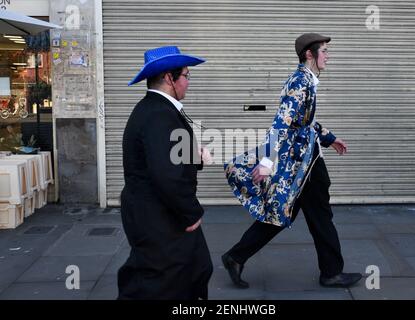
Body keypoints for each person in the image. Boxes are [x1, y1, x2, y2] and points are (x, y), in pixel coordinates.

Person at [223, 33, 362, 289]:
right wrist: (267, 162)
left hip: (305, 160)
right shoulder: (300, 82)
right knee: (317, 214)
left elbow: (304, 122)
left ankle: (236, 256)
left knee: (284, 212)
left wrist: (329, 138)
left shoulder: (306, 80)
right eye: (324, 51)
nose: (328, 55)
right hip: (302, 164)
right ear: (310, 54)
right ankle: (331, 272)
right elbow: (282, 123)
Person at [118, 46, 213, 299]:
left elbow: (163, 156)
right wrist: (191, 213)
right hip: (159, 215)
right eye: (186, 76)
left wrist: (196, 155)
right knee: (158, 282)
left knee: (197, 268)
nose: (188, 82)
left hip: (158, 211)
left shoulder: (155, 109)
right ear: (170, 78)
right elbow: (166, 175)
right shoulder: (160, 114)